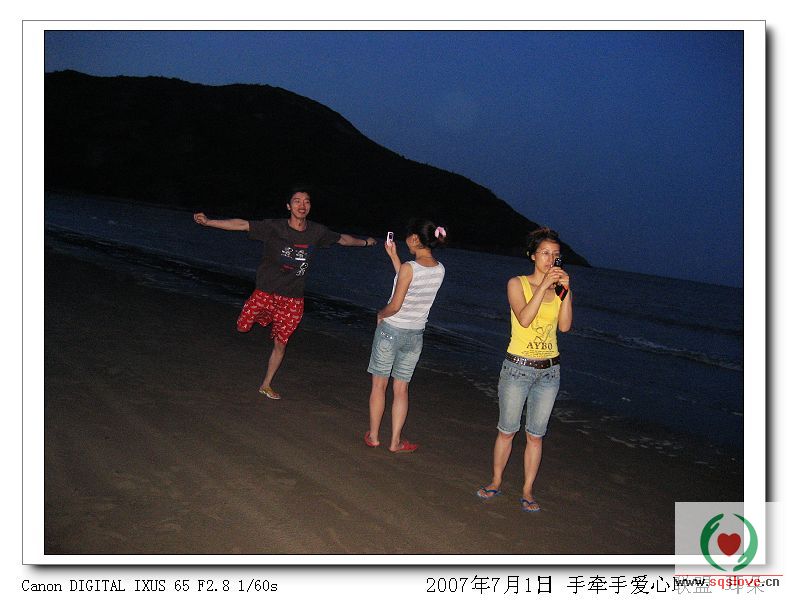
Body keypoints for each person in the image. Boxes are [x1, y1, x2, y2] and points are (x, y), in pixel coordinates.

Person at [193, 187, 376, 399]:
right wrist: (209, 222)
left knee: (281, 342)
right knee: (242, 327)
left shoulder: (317, 232)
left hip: (292, 298)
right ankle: (258, 321)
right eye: (297, 201)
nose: (302, 205)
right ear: (288, 206)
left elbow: (342, 239)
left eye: (306, 201)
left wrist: (365, 242)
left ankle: (266, 384)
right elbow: (242, 224)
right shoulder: (274, 227)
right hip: (265, 292)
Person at [476, 227, 573, 512]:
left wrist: (566, 292)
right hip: (517, 368)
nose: (550, 259)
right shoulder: (516, 283)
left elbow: (565, 326)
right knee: (507, 431)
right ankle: (496, 481)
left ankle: (528, 490)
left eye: (555, 254)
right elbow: (525, 319)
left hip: (549, 372)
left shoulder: (560, 288)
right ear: (532, 255)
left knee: (536, 435)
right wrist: (543, 286)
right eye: (545, 253)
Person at [364, 219, 446, 453]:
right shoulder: (440, 269)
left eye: (408, 237)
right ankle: (395, 441)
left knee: (379, 385)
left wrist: (381, 314)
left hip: (391, 331)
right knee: (401, 389)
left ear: (414, 239)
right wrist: (393, 256)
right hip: (415, 336)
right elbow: (410, 282)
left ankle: (374, 436)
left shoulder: (410, 268)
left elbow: (396, 304)